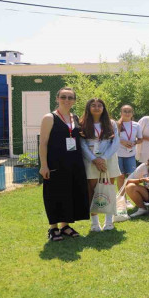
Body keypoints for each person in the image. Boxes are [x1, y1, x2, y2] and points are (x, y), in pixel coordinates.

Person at [39, 87, 89, 241]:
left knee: (70, 193)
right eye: (63, 97)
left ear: (74, 100)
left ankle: (65, 225)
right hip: (55, 163)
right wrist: (43, 165)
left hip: (74, 163)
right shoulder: (49, 117)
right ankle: (53, 228)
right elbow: (43, 143)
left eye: (70, 97)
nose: (66, 100)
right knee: (54, 194)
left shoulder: (75, 117)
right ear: (57, 98)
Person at [79, 98, 121, 232]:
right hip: (91, 161)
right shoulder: (83, 124)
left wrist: (103, 158)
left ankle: (109, 221)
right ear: (88, 108)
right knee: (92, 190)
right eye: (93, 105)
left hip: (108, 159)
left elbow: (115, 143)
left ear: (103, 108)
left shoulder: (111, 123)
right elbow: (82, 144)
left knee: (108, 188)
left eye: (99, 105)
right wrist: (94, 159)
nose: (96, 108)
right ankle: (95, 223)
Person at [116, 105, 142, 209]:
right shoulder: (116, 125)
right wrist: (122, 141)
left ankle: (135, 199)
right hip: (118, 154)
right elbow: (112, 138)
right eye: (125, 111)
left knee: (131, 177)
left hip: (130, 154)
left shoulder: (136, 125)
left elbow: (140, 139)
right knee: (121, 177)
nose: (127, 113)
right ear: (121, 113)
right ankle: (123, 200)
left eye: (129, 111)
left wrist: (134, 142)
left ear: (132, 113)